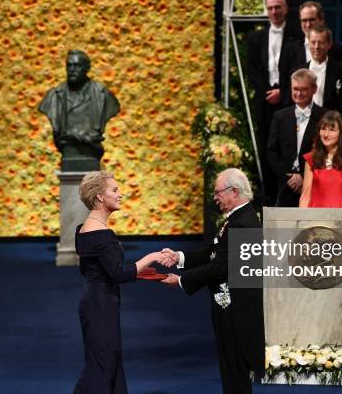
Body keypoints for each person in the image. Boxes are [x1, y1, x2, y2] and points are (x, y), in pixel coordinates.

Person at [161, 168, 265, 394]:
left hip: (237, 312)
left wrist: (182, 280)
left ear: (234, 191)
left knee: (235, 371)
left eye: (218, 193)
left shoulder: (243, 223)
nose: (215, 198)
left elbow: (220, 266)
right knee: (230, 370)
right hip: (228, 308)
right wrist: (179, 257)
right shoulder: (239, 218)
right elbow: (215, 253)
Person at [73, 171, 172, 393]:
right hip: (101, 304)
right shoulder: (101, 235)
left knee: (107, 359)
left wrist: (151, 274)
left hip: (96, 300)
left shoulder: (83, 229)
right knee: (103, 363)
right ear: (99, 196)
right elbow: (117, 274)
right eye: (115, 190)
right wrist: (152, 257)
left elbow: (105, 270)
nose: (120, 195)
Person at [247, 0, 302, 204]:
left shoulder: (296, 35)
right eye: (270, 8)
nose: (274, 12)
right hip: (265, 100)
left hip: (289, 99)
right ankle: (268, 196)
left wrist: (284, 91)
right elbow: (251, 68)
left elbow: (299, 66)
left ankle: (288, 191)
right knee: (266, 146)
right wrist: (266, 92)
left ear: (286, 9)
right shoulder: (256, 38)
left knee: (288, 145)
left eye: (278, 7)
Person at [38, 50, 120, 171]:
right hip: (68, 153)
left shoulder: (101, 94)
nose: (72, 69)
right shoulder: (54, 96)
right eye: (69, 65)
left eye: (76, 66)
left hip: (91, 153)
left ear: (87, 69)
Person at [267, 68, 326, 206]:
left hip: (316, 187)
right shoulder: (279, 116)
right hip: (285, 186)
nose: (298, 93)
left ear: (314, 89)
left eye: (304, 89)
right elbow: (271, 152)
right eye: (295, 89)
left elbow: (328, 153)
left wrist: (305, 178)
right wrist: (290, 178)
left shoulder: (326, 117)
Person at [287, 26, 342, 116]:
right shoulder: (297, 72)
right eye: (313, 42)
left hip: (332, 124)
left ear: (329, 44)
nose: (316, 47)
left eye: (321, 43)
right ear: (308, 44)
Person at [299, 110, 342, 208]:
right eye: (323, 129)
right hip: (315, 220)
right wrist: (301, 220)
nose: (326, 134)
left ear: (341, 133)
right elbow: (305, 196)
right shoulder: (311, 158)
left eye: (332, 130)